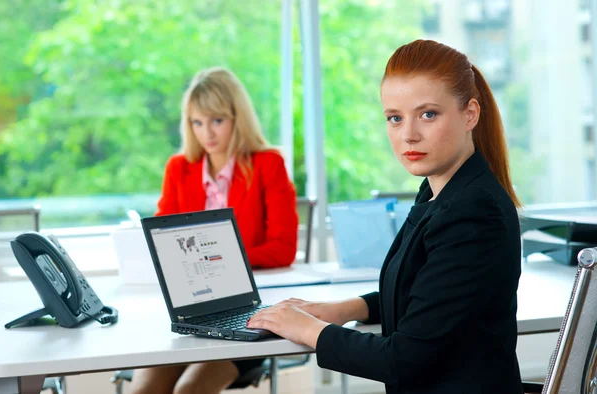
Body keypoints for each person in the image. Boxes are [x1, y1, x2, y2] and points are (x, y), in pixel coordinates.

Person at [247, 39, 524, 394]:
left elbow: (402, 359)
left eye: (428, 114)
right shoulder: (441, 190)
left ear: (470, 114)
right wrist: (341, 309)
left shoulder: (473, 213)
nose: (408, 134)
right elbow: (424, 293)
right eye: (395, 118)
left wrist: (307, 329)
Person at [128, 67, 298, 394]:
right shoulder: (179, 168)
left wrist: (220, 263)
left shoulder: (267, 164)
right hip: (190, 313)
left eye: (217, 120)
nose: (207, 132)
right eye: (197, 122)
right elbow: (162, 245)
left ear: (238, 118)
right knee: (142, 391)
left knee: (187, 391)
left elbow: (283, 248)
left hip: (246, 315)